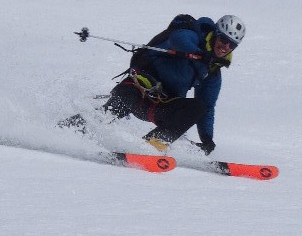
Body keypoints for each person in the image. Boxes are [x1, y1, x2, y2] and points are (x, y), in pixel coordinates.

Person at [104, 14, 245, 154]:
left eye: (232, 44)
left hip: (160, 106)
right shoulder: (195, 37)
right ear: (215, 34)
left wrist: (207, 138)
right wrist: (199, 53)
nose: (225, 46)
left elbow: (207, 106)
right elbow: (177, 39)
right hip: (137, 89)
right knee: (110, 111)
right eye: (223, 39)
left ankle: (153, 144)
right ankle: (88, 126)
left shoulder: (212, 70)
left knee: (198, 107)